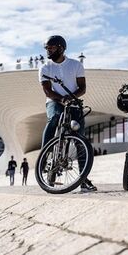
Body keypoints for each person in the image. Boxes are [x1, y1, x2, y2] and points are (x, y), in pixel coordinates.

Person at [39, 35, 97, 192]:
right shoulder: (45, 67)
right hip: (54, 101)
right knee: (54, 118)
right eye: (46, 48)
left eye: (50, 48)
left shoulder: (76, 65)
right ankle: (45, 156)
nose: (48, 51)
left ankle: (83, 179)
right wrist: (61, 100)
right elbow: (47, 90)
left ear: (60, 48)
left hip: (73, 101)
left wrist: (70, 98)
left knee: (80, 137)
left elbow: (82, 88)